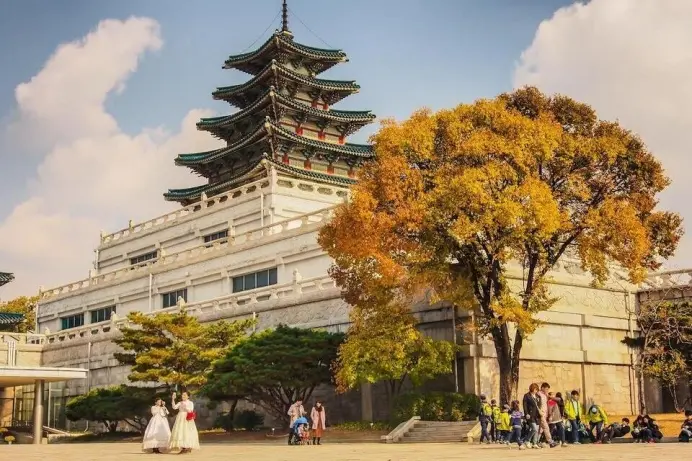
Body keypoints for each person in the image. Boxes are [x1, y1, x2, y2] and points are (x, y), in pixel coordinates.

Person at [537, 382, 557, 447]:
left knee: (540, 429)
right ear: (542, 388)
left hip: (545, 414)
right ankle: (550, 442)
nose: (547, 390)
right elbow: (537, 405)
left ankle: (535, 441)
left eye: (548, 389)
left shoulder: (545, 395)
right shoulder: (538, 394)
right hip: (541, 413)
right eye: (546, 389)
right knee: (546, 427)